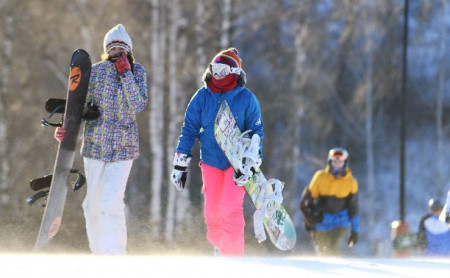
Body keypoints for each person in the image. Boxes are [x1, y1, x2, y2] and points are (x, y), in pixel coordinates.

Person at [54, 24, 148, 255]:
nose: (117, 51)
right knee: (92, 205)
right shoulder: (94, 72)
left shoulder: (137, 72)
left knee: (111, 201)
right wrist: (65, 127)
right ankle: (99, 252)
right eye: (113, 47)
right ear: (106, 49)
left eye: (122, 47)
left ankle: (115, 254)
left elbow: (138, 104)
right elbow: (77, 104)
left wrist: (126, 74)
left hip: (123, 148)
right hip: (95, 145)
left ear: (129, 50)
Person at [170, 48, 263, 256]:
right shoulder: (202, 96)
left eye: (223, 69)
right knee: (212, 212)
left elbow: (257, 132)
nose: (217, 74)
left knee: (230, 210)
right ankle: (219, 247)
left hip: (236, 164)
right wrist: (180, 163)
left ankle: (232, 257)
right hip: (210, 162)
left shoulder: (247, 99)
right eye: (214, 68)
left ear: (235, 72)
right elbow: (189, 129)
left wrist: (252, 160)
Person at [299, 147, 359, 256]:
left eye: (340, 162)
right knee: (322, 251)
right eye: (335, 162)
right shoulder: (320, 177)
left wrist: (355, 230)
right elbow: (307, 201)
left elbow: (353, 208)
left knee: (332, 248)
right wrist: (307, 219)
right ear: (330, 162)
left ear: (345, 163)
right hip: (321, 221)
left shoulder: (351, 182)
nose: (337, 164)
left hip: (340, 221)